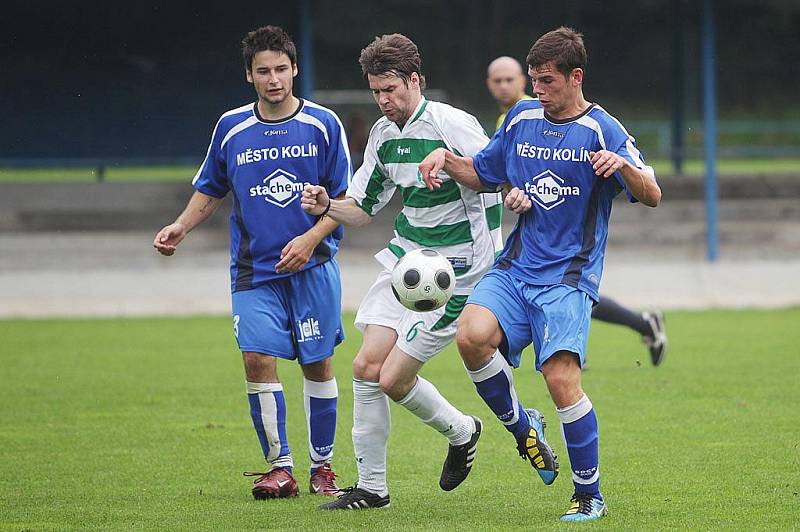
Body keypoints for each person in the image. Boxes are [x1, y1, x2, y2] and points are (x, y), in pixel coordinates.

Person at [419, 27, 662, 521]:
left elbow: (652, 192)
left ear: (576, 77)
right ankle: (521, 425)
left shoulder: (603, 130)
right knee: (471, 336)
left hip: (568, 279)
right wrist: (446, 159)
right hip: (516, 266)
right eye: (534, 80)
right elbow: (483, 172)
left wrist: (624, 168)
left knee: (561, 379)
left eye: (547, 81)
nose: (537, 90)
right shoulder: (523, 117)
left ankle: (588, 494)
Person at [300, 33, 531, 511]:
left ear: (414, 80)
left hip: (458, 274)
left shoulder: (451, 123)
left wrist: (466, 170)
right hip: (408, 262)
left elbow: (497, 168)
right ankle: (373, 489)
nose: (384, 101)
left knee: (392, 380)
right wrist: (328, 206)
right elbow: (362, 208)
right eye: (376, 92)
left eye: (391, 89)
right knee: (366, 368)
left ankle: (463, 431)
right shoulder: (383, 137)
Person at [153, 25, 351, 500]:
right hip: (254, 272)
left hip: (313, 266)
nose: (274, 78)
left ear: (294, 70)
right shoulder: (231, 127)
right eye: (263, 71)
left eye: (281, 69)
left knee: (318, 364)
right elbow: (211, 188)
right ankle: (280, 467)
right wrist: (182, 225)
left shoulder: (324, 124)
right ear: (250, 75)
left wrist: (309, 237)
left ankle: (322, 468)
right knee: (258, 359)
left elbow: (345, 198)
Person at [486, 55, 667, 366]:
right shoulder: (516, 117)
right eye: (496, 81)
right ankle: (641, 324)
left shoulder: (537, 114)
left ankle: (572, 351)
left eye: (509, 80)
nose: (503, 87)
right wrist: (512, 192)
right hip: (533, 246)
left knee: (572, 304)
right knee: (486, 325)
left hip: (567, 246)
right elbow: (504, 174)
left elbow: (651, 192)